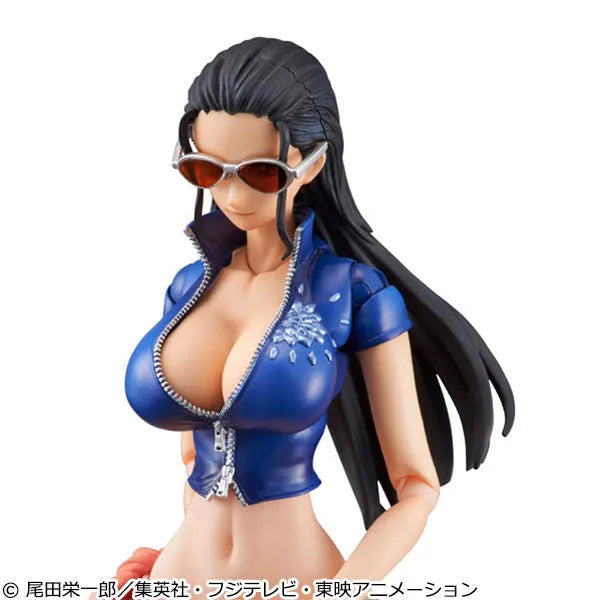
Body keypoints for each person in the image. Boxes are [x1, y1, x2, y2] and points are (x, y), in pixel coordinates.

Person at [112, 37, 514, 595]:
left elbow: (416, 488)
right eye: (206, 169)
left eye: (260, 173)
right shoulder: (188, 288)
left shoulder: (352, 293)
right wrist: (175, 553)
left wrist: (345, 589)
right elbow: (192, 459)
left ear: (313, 163)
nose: (232, 195)